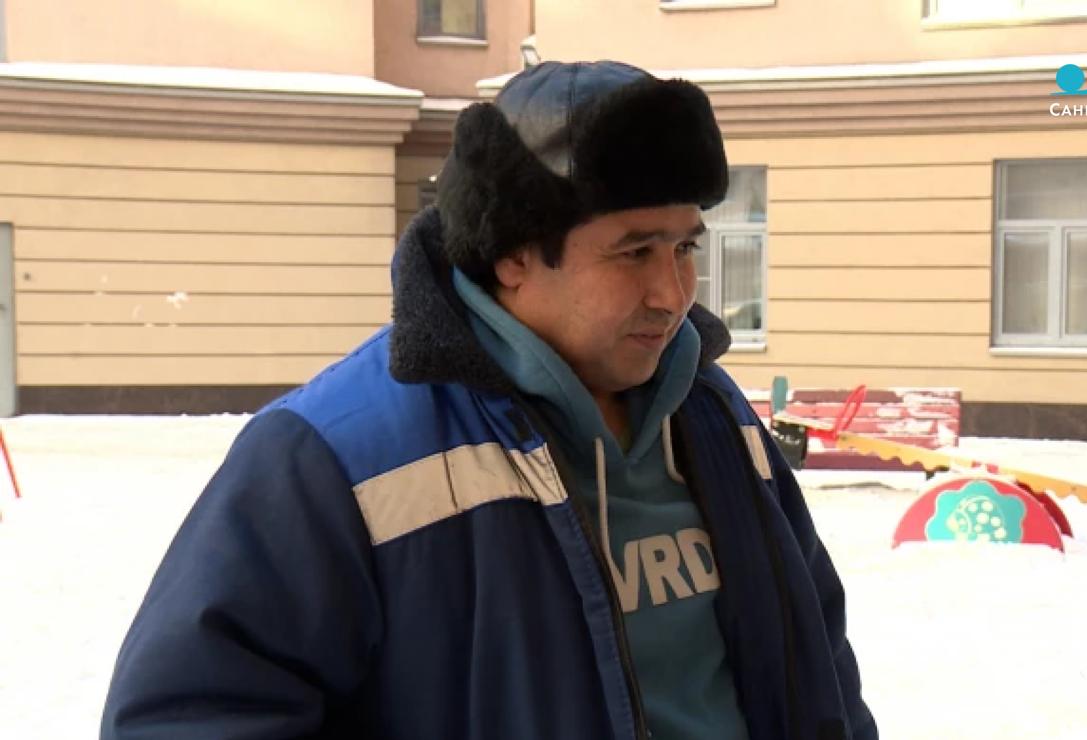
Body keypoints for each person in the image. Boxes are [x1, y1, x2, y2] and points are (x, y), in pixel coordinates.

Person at [101, 60, 877, 740]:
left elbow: (819, 664)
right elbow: (189, 716)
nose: (673, 293)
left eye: (684, 248)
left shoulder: (712, 414)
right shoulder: (336, 456)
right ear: (513, 254)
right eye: (635, 251)